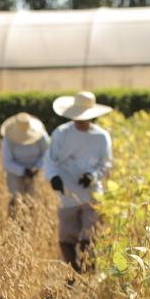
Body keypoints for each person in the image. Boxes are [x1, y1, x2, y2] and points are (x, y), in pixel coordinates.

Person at [44, 91, 113, 273]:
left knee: (89, 235)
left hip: (91, 192)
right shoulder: (61, 134)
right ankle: (72, 272)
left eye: (84, 118)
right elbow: (50, 160)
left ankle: (89, 270)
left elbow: (105, 164)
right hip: (67, 191)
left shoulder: (101, 137)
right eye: (77, 118)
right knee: (66, 235)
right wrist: (54, 177)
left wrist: (93, 175)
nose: (80, 122)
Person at [0, 112, 49, 216]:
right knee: (16, 200)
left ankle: (34, 222)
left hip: (36, 172)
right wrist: (23, 171)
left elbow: (47, 154)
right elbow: (7, 162)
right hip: (15, 174)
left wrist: (36, 167)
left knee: (35, 200)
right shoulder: (8, 139)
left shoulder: (41, 135)